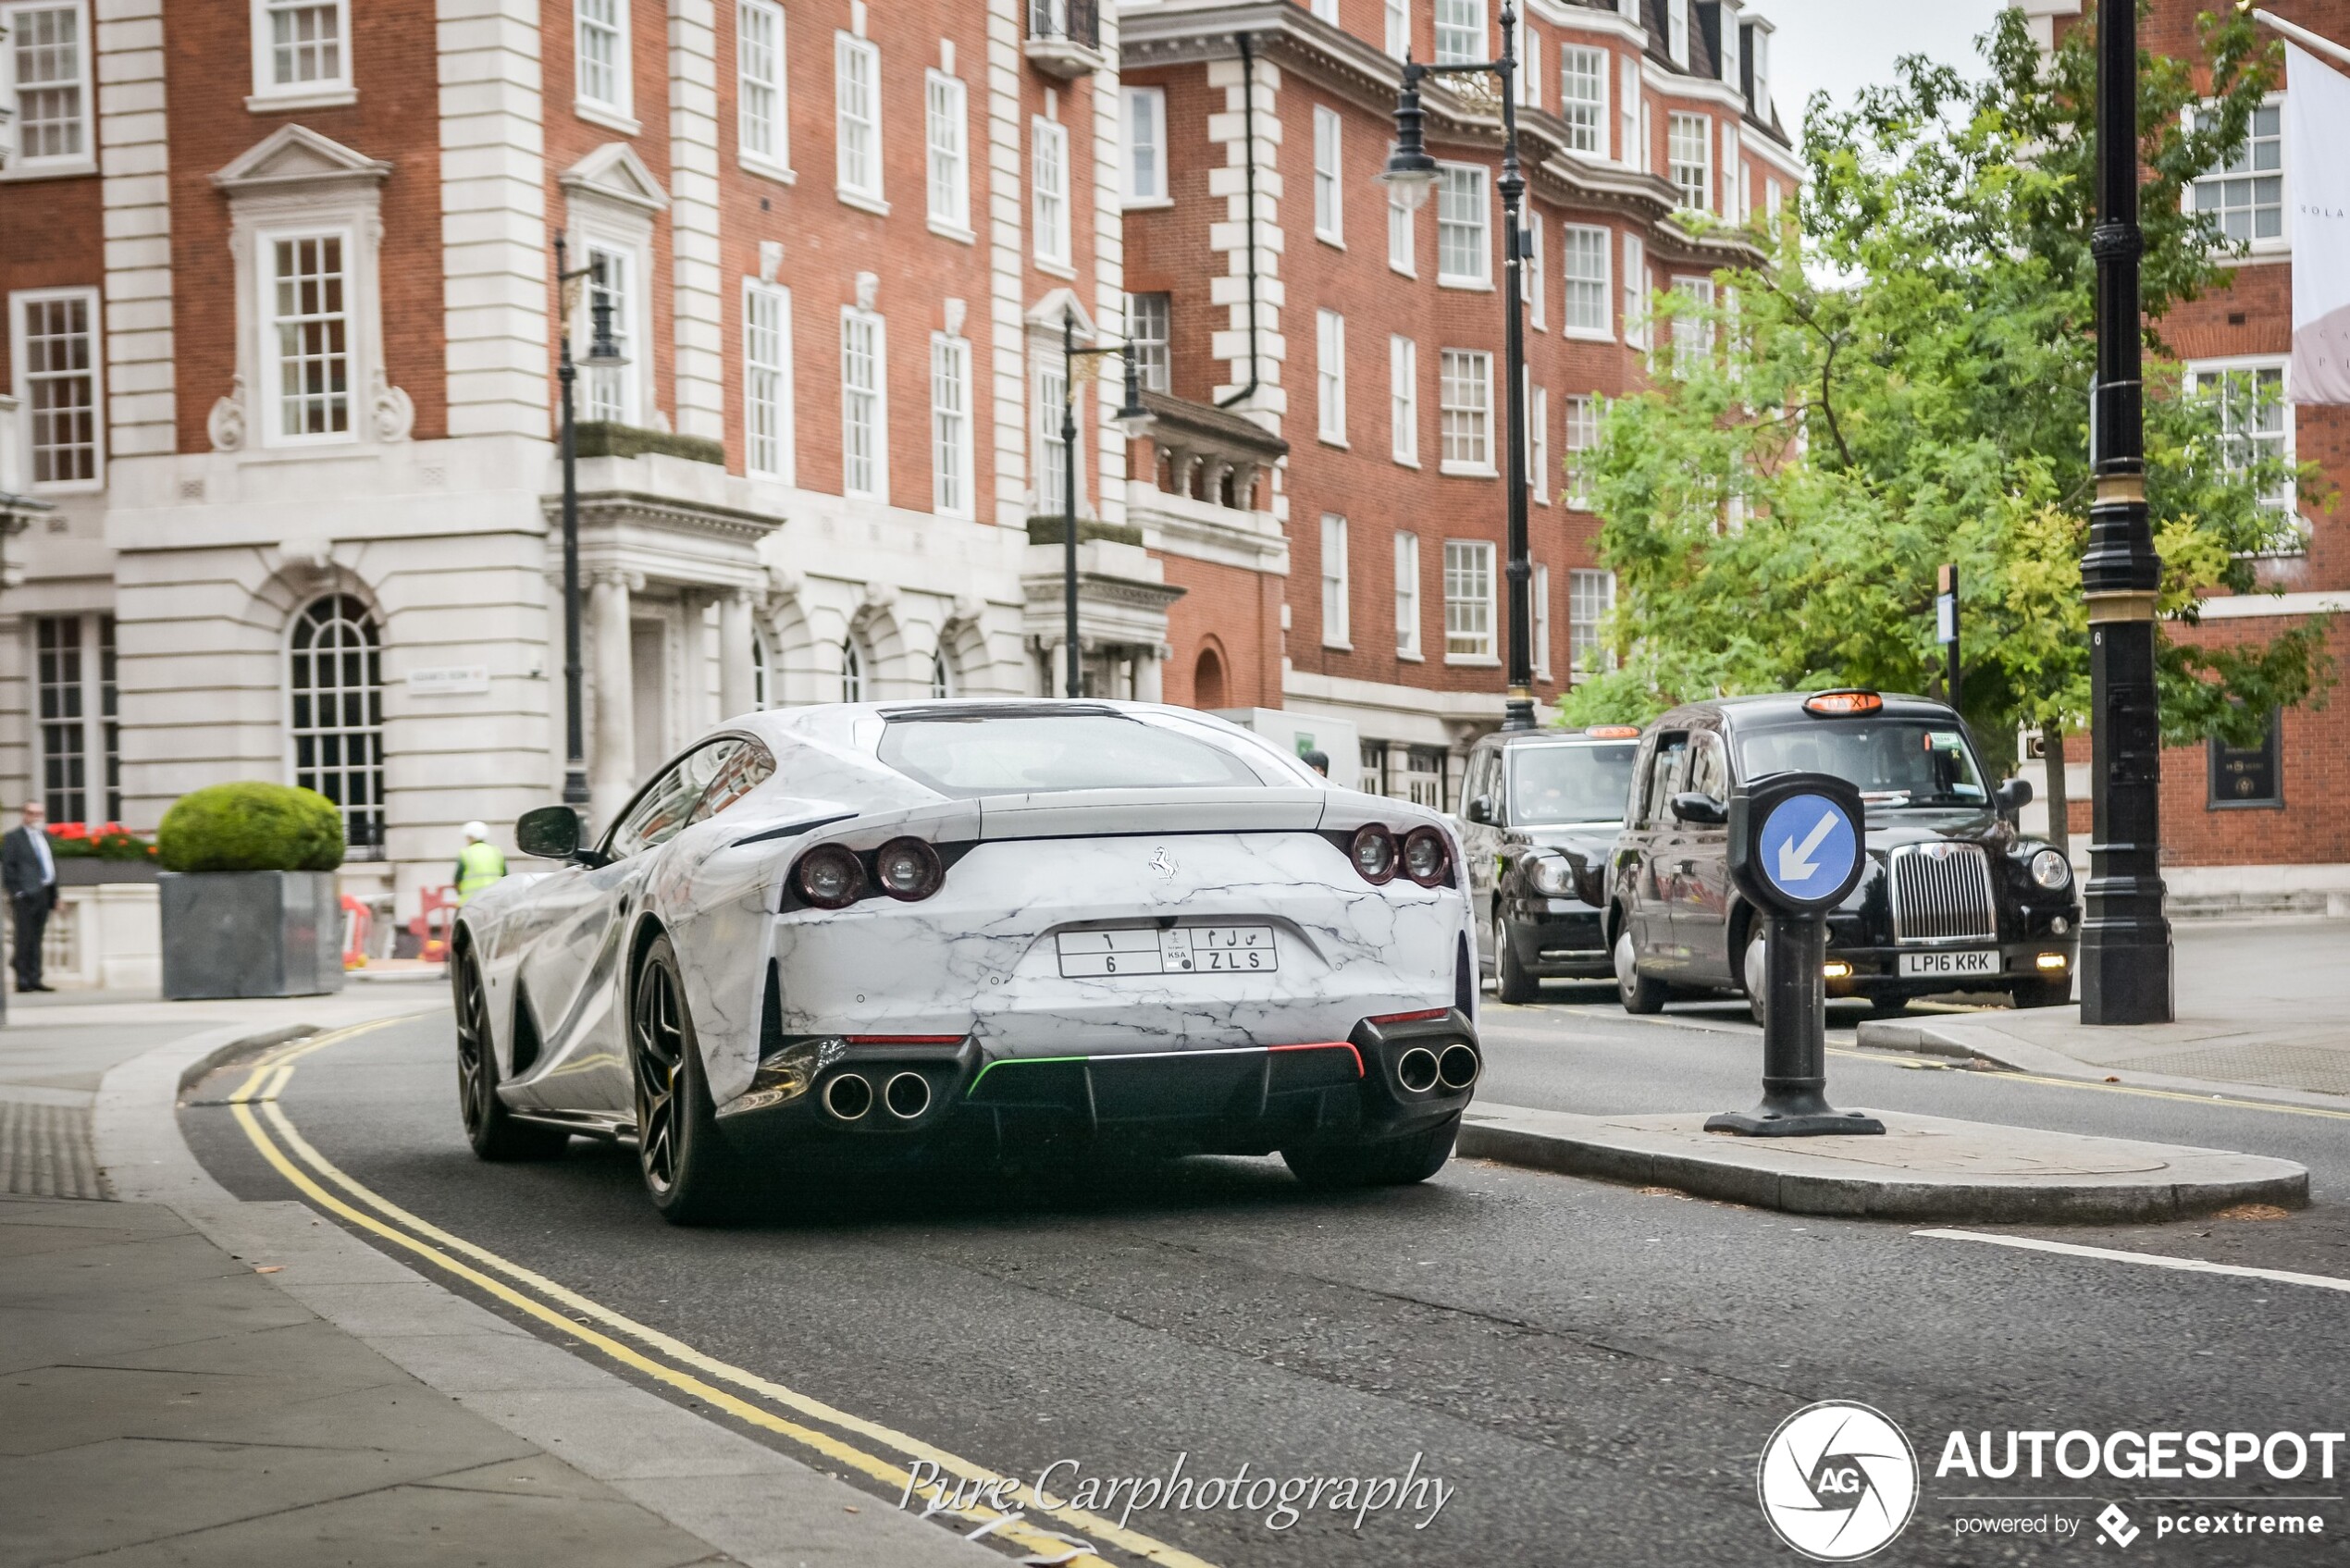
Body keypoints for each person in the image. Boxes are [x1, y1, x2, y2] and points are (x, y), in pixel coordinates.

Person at [3, 801, 59, 993]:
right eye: (31, 813)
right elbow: (8, 867)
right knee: (23, 937)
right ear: (23, 814)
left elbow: (52, 868)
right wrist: (17, 892)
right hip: (25, 895)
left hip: (44, 893)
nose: (35, 817)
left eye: (39, 813)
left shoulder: (46, 837)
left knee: (37, 938)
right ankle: (23, 979)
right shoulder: (13, 838)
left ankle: (36, 977)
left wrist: (55, 896)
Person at [454, 821, 506, 904]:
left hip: (470, 902)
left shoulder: (466, 853)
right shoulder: (496, 851)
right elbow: (505, 877)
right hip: (493, 900)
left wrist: (459, 893)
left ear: (471, 836)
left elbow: (457, 879)